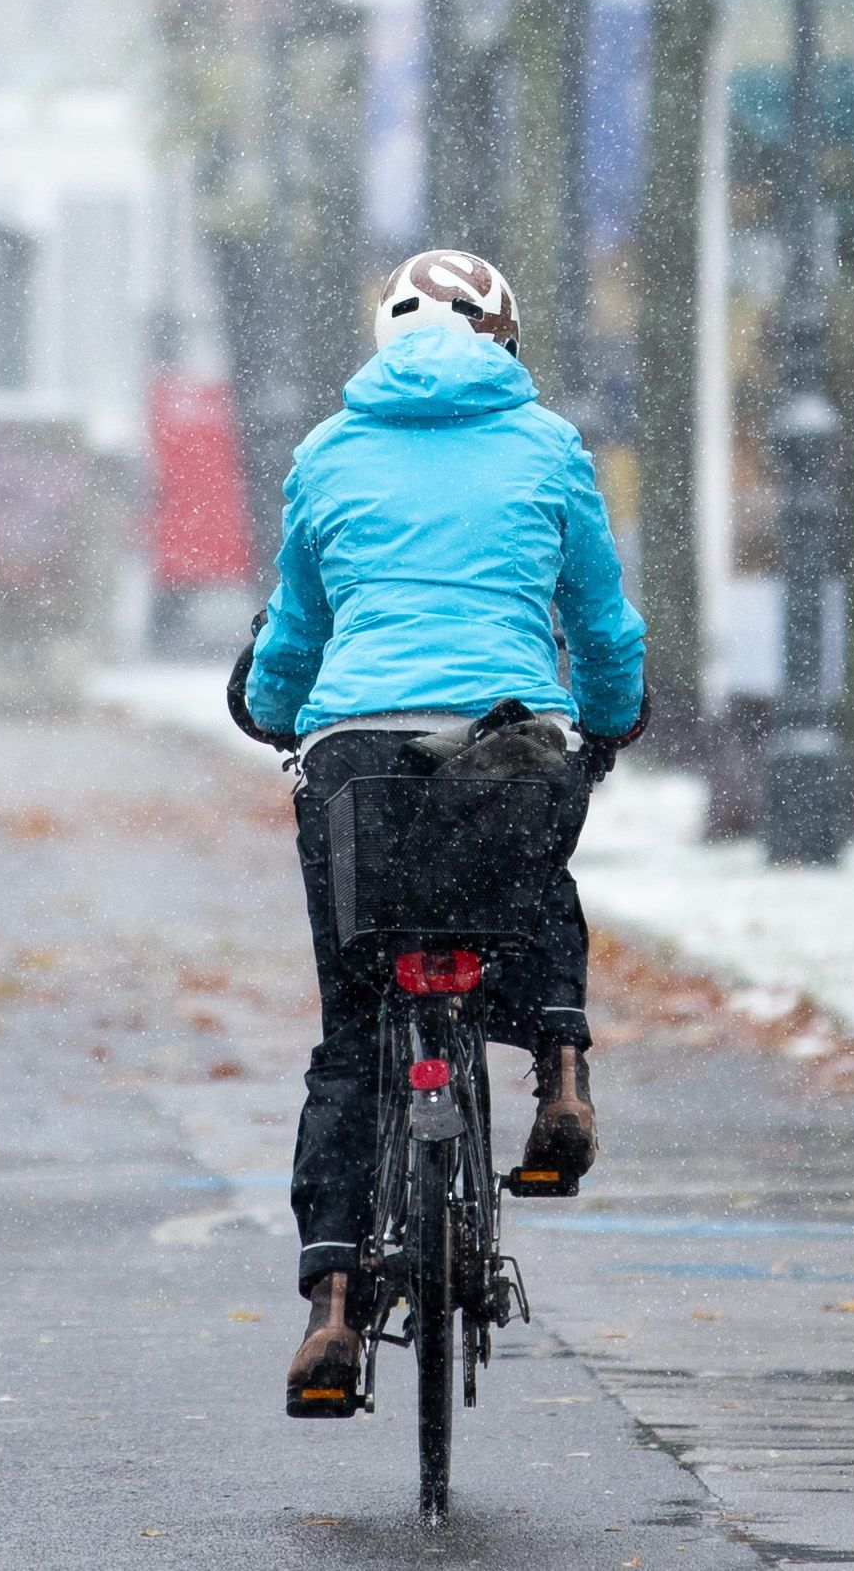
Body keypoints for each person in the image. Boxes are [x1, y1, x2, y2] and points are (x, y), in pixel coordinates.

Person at [229, 249, 646, 1421]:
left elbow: (295, 629)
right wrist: (609, 716)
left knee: (351, 1030)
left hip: (355, 754)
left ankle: (330, 1303)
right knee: (529, 865)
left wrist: (271, 704)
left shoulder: (327, 451)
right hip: (506, 731)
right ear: (503, 340)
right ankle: (560, 1066)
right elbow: (600, 620)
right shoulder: (549, 447)